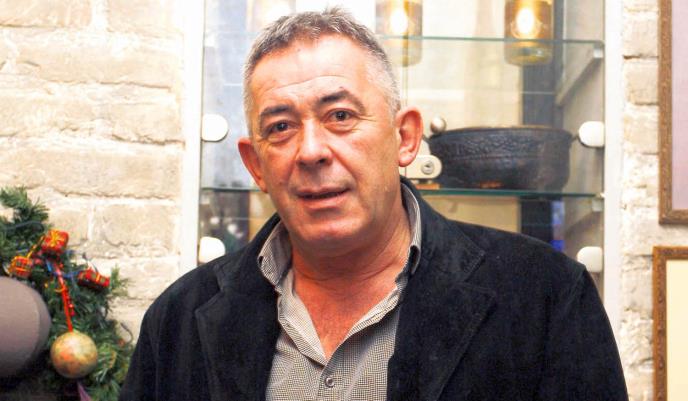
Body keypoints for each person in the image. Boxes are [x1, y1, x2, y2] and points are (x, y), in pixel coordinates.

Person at [120, 7, 627, 401]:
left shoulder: (544, 298)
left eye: (340, 115)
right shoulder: (178, 320)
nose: (312, 151)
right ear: (255, 166)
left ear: (405, 138)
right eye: (281, 126)